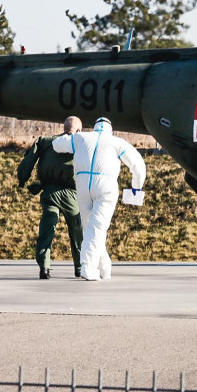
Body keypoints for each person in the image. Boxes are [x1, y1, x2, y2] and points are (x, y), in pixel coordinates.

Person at [52, 117, 146, 281]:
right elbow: (138, 165)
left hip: (82, 185)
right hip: (106, 186)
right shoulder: (117, 142)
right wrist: (136, 188)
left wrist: (73, 134)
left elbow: (57, 144)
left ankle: (104, 267)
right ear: (111, 130)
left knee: (90, 227)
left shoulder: (81, 138)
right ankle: (88, 267)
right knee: (97, 228)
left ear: (95, 128)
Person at [17, 116, 84, 279]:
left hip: (49, 192)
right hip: (71, 194)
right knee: (77, 231)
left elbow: (29, 160)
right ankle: (80, 267)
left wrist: (22, 179)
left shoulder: (46, 142)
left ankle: (44, 267)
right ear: (79, 131)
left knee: (47, 229)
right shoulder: (81, 144)